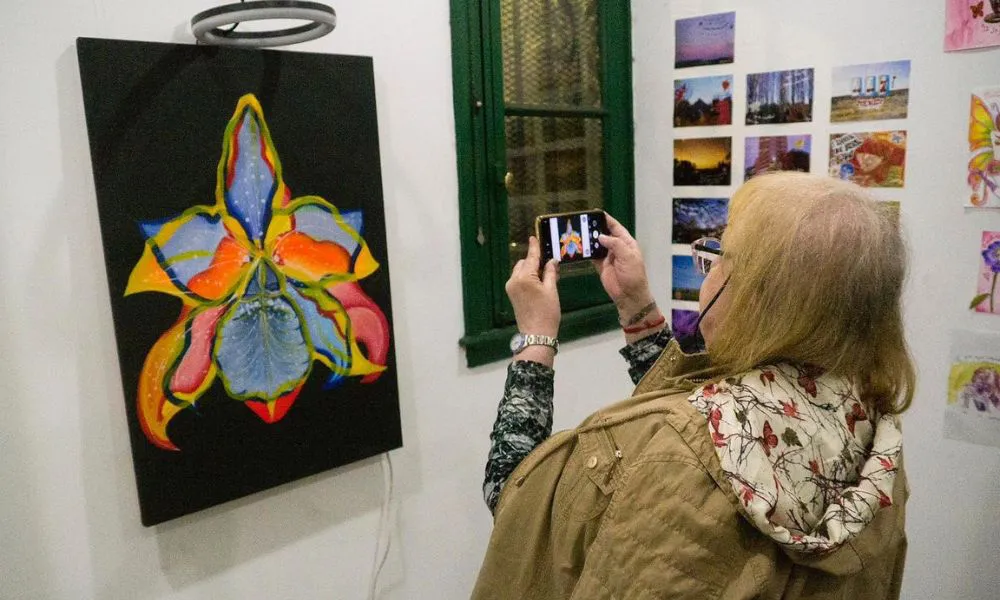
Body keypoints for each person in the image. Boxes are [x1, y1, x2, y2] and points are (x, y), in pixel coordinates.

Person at [473, 172, 914, 599]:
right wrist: (636, 308)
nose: (708, 268)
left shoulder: (675, 456)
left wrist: (535, 339)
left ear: (755, 298)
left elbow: (519, 505)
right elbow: (709, 406)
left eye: (719, 256)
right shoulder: (872, 434)